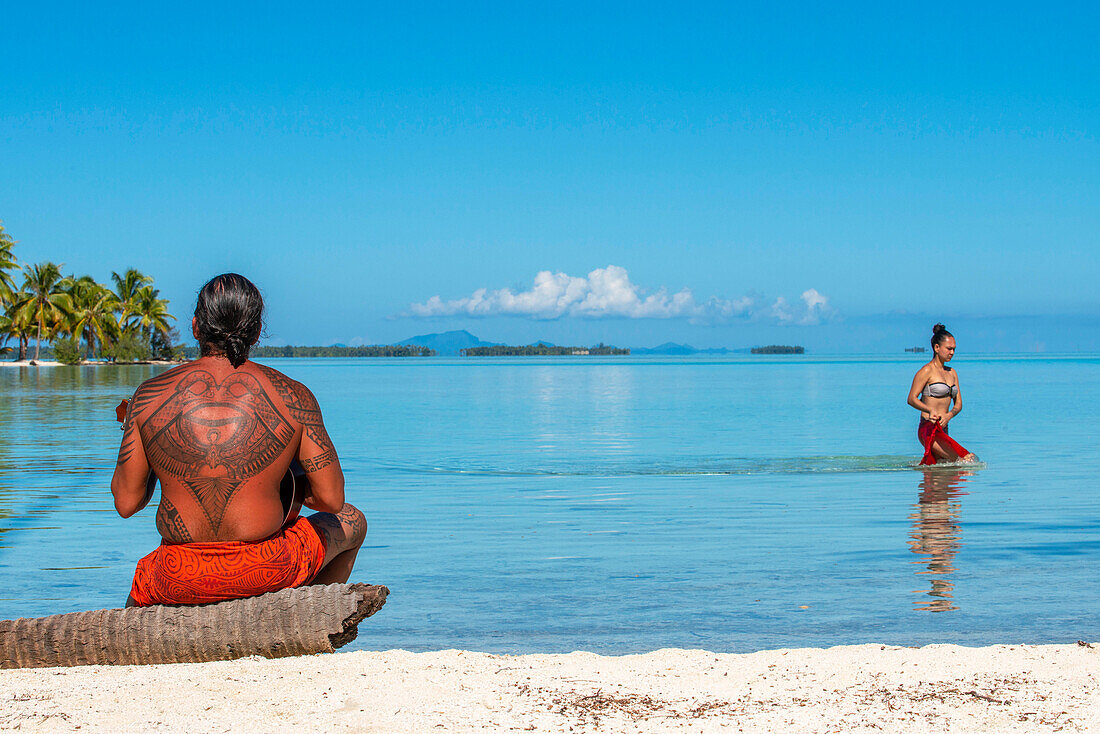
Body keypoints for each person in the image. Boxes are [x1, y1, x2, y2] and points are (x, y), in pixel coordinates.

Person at [111, 273, 366, 606]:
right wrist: (282, 492)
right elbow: (332, 501)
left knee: (146, 577)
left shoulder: (148, 397)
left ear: (195, 327)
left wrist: (137, 431)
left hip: (177, 575)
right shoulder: (294, 395)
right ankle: (304, 619)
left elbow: (127, 504)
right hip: (266, 568)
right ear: (257, 331)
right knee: (352, 520)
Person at [907, 323, 976, 465]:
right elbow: (911, 399)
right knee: (965, 460)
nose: (952, 352)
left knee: (941, 471)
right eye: (949, 349)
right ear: (936, 348)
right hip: (928, 427)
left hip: (943, 428)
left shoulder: (953, 373)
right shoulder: (926, 371)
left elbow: (958, 404)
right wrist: (929, 409)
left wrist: (949, 415)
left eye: (954, 349)